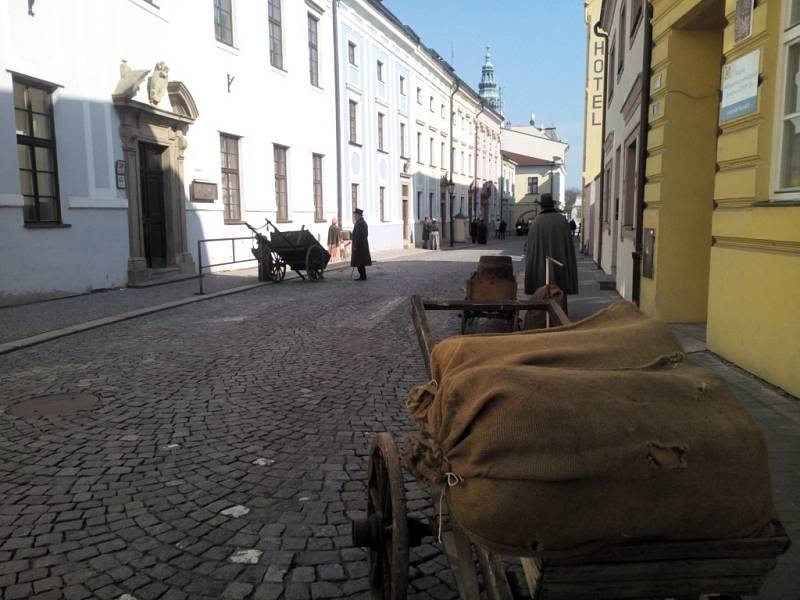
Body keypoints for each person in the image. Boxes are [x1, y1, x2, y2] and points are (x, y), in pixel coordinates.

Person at [524, 193, 578, 297]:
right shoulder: (562, 220)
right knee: (560, 293)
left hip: (541, 268)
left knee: (542, 289)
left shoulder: (536, 222)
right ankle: (561, 310)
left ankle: (542, 311)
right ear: (552, 205)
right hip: (560, 265)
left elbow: (530, 248)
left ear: (541, 206)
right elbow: (568, 246)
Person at [351, 208, 372, 280]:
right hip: (362, 246)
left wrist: (355, 246)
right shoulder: (361, 222)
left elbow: (358, 236)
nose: (354, 216)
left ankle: (363, 276)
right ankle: (363, 276)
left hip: (360, 246)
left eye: (355, 215)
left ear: (358, 215)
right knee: (360, 262)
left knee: (359, 262)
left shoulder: (360, 223)